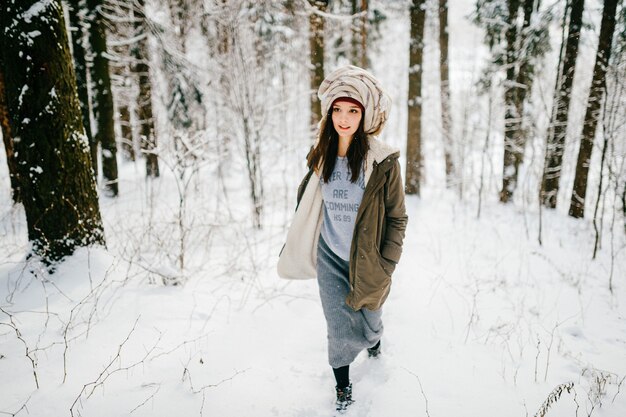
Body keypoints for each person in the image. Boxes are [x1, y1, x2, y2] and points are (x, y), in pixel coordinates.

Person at [277, 65, 408, 412]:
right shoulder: (320, 154)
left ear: (364, 114)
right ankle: (343, 389)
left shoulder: (383, 162)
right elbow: (308, 202)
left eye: (353, 110)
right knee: (337, 325)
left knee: (371, 319)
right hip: (330, 256)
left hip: (369, 259)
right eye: (337, 109)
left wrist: (388, 261)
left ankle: (375, 342)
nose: (344, 118)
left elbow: (397, 216)